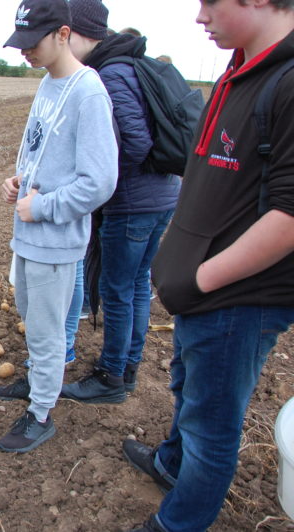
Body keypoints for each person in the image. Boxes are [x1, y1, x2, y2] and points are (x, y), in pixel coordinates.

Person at [122, 1, 294, 531]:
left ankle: (178, 523)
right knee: (187, 388)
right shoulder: (242, 69)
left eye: (210, 2)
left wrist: (201, 280)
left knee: (212, 428)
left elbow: (289, 216)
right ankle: (173, 463)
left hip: (237, 299)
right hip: (202, 295)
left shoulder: (287, 83)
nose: (200, 16)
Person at [0, 0, 118, 454]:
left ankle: (41, 414)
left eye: (33, 42)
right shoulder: (49, 83)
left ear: (63, 34)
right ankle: (35, 384)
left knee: (47, 332)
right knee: (35, 321)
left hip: (53, 239)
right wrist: (17, 180)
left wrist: (42, 206)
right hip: (29, 234)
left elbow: (100, 181)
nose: (24, 51)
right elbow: (39, 151)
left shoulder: (89, 93)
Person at [60, 0, 180, 404]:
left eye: (65, 35)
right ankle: (126, 367)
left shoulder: (110, 73)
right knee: (135, 285)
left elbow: (135, 141)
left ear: (79, 34)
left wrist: (99, 177)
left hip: (133, 204)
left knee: (117, 289)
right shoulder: (131, 62)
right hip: (162, 195)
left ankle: (111, 375)